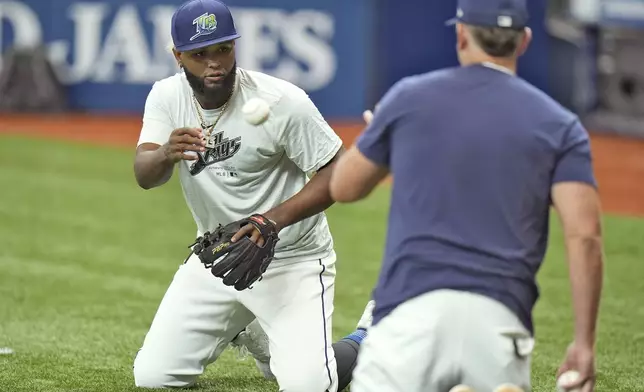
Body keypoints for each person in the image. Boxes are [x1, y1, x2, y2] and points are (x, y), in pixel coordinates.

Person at [329, 0, 604, 391]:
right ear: (523, 41)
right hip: (498, 322)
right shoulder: (560, 125)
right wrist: (583, 342)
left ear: (460, 34)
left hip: (408, 315)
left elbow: (344, 187)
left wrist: (386, 147)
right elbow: (586, 235)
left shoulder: (408, 98)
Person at [131, 0, 373, 390]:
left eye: (223, 49)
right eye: (199, 54)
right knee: (153, 378)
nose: (215, 62)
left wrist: (271, 220)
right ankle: (255, 333)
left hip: (293, 260)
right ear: (178, 56)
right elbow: (145, 175)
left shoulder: (282, 102)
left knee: (308, 385)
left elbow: (336, 173)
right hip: (220, 260)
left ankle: (364, 340)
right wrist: (164, 154)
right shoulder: (166, 97)